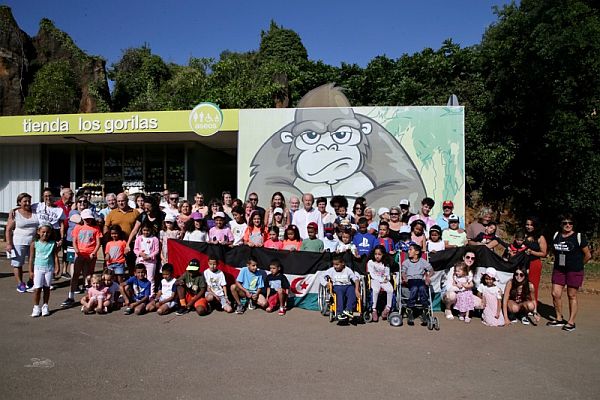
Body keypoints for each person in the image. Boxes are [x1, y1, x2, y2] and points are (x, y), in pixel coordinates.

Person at [547, 215, 591, 331]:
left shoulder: (578, 237)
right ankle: (559, 318)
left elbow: (588, 255)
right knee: (555, 293)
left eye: (570, 223)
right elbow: (554, 250)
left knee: (571, 295)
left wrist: (579, 265)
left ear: (573, 224)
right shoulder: (557, 235)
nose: (568, 225)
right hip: (559, 269)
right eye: (565, 223)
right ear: (561, 224)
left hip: (574, 270)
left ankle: (571, 322)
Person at [60, 209, 102, 308]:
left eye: (90, 218)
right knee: (75, 275)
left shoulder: (95, 228)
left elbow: (98, 242)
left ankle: (90, 296)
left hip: (90, 254)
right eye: (86, 218)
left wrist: (94, 252)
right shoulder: (78, 227)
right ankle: (71, 296)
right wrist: (77, 251)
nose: (88, 220)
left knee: (89, 276)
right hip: (80, 254)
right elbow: (74, 241)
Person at [5, 192, 39, 293]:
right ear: (19, 202)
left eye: (29, 201)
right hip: (19, 242)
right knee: (18, 263)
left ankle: (31, 280)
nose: (27, 203)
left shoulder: (35, 211)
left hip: (33, 242)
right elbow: (8, 230)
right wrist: (9, 243)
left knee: (33, 262)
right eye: (25, 201)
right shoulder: (15, 214)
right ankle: (20, 283)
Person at [28, 224, 59, 317]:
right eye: (43, 232)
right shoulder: (34, 243)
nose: (45, 234)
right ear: (38, 232)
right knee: (37, 288)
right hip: (38, 268)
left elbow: (55, 256)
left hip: (49, 268)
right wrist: (30, 271)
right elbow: (31, 258)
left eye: (47, 232)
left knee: (47, 288)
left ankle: (45, 305)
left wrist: (57, 267)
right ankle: (36, 307)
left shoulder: (53, 244)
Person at [104, 193, 139, 273]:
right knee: (115, 265)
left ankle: (132, 282)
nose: (121, 203)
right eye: (119, 201)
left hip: (130, 243)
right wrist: (107, 241)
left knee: (131, 265)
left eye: (123, 201)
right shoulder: (112, 213)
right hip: (116, 244)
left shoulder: (135, 212)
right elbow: (106, 226)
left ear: (127, 201)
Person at [320, 253, 361, 322]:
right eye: (334, 264)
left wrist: (356, 290)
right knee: (339, 293)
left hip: (348, 285)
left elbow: (356, 280)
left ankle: (349, 310)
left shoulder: (348, 270)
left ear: (343, 264)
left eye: (337, 264)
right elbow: (321, 277)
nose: (335, 266)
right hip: (337, 286)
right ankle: (340, 312)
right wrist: (326, 283)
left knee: (352, 291)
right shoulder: (331, 270)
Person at [442, 251, 482, 319]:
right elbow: (448, 286)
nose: (470, 260)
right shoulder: (455, 269)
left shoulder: (473, 271)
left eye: (472, 258)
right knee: (451, 296)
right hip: (452, 292)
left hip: (466, 293)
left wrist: (469, 285)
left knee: (480, 304)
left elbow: (476, 286)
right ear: (463, 258)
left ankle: (463, 311)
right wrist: (461, 286)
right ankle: (448, 309)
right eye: (468, 257)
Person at [401, 244, 433, 326]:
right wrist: (405, 278)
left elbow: (431, 270)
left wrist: (428, 277)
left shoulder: (422, 261)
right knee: (414, 288)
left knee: (422, 288)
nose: (408, 251)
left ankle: (425, 309)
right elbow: (403, 272)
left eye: (410, 250)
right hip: (410, 280)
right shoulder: (406, 262)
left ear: (417, 252)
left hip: (420, 279)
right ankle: (410, 308)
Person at [367, 245, 394, 322]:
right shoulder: (371, 262)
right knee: (376, 290)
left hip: (384, 280)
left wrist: (386, 279)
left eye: (379, 254)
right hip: (375, 280)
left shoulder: (385, 263)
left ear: (383, 255)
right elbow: (372, 274)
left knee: (390, 290)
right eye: (376, 254)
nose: (377, 256)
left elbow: (387, 274)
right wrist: (381, 279)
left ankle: (387, 308)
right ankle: (374, 309)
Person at [524, 216, 547, 303]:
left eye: (531, 225)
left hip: (534, 263)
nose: (529, 226)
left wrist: (532, 252)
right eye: (527, 224)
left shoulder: (540, 238)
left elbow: (544, 253)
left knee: (532, 285)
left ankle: (533, 305)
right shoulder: (523, 235)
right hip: (522, 262)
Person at [134, 224, 160, 294]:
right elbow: (135, 249)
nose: (146, 232)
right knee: (140, 276)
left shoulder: (154, 239)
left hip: (151, 262)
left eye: (147, 230)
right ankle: (139, 292)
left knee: (150, 278)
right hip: (140, 261)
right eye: (144, 230)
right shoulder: (139, 238)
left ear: (151, 230)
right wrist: (140, 253)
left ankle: (151, 294)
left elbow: (156, 250)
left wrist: (149, 256)